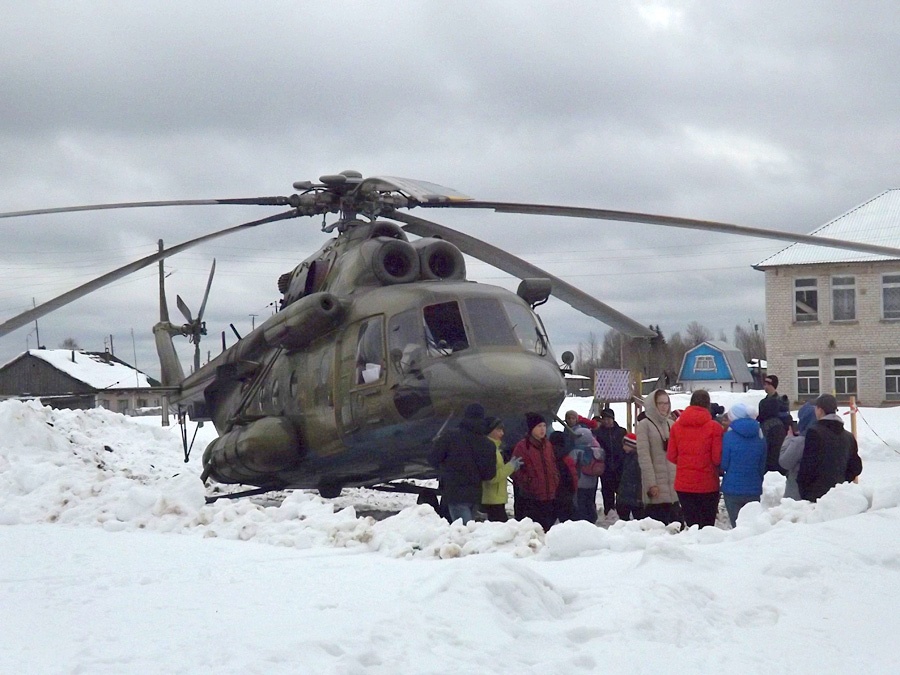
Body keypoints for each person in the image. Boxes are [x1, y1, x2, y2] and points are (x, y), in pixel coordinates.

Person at [428, 402, 497, 524]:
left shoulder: (449, 436)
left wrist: (445, 468)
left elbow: (433, 459)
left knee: (462, 531)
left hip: (453, 493)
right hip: (475, 496)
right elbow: (489, 475)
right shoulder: (488, 444)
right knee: (467, 527)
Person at [667, 389, 724, 528]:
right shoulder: (714, 427)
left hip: (684, 484)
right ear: (708, 405)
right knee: (707, 528)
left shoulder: (676, 427)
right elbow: (717, 459)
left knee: (692, 526)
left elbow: (671, 456)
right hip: (707, 484)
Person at [797, 394, 863, 502]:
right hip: (840, 496)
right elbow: (856, 467)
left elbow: (808, 465)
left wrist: (804, 489)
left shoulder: (814, 432)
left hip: (816, 495)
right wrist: (843, 481)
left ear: (820, 410)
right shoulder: (849, 436)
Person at [636, 389, 680, 525]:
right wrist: (651, 484)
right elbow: (644, 457)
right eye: (660, 403)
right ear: (652, 404)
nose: (664, 406)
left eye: (666, 403)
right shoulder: (644, 425)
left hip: (673, 488)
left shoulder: (672, 425)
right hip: (656, 488)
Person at [511, 413, 560, 531]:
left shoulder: (547, 445)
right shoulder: (522, 447)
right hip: (532, 497)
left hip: (550, 494)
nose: (543, 429)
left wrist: (555, 478)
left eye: (544, 425)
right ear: (531, 428)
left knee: (548, 527)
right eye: (539, 426)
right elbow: (515, 470)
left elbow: (553, 464)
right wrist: (528, 482)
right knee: (535, 529)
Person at [720, 403, 766, 527]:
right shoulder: (760, 435)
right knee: (752, 527)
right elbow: (762, 466)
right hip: (754, 487)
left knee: (737, 529)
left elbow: (724, 464)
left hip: (732, 488)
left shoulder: (729, 436)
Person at [480, 417, 523, 522]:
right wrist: (510, 466)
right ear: (489, 431)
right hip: (491, 499)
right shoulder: (488, 449)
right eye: (498, 430)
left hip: (496, 497)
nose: (502, 433)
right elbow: (491, 476)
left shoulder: (495, 448)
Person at [779, 401, 816, 500]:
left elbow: (784, 461)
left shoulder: (800, 441)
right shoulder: (825, 436)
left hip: (796, 492)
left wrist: (789, 438)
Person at [593, 407, 625, 518]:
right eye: (605, 418)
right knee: (607, 491)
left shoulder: (621, 431)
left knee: (621, 490)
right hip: (605, 467)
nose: (607, 421)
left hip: (620, 465)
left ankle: (621, 512)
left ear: (613, 419)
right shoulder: (598, 433)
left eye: (609, 418)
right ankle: (608, 511)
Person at [757, 375, 790, 474]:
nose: (765, 386)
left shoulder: (782, 402)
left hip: (778, 436)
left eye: (768, 384)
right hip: (765, 434)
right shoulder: (763, 402)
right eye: (764, 384)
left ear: (773, 386)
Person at [572, 427, 604, 522]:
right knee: (590, 502)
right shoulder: (596, 450)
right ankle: (592, 518)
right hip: (592, 482)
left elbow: (572, 463)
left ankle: (582, 520)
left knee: (580, 503)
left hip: (580, 482)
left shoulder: (576, 451)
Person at [550, 430, 578, 523]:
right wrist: (574, 490)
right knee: (568, 522)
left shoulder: (547, 456)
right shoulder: (566, 457)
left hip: (550, 493)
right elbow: (573, 476)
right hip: (565, 494)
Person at [616, 432, 644, 521]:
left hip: (633, 493)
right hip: (626, 493)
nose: (623, 447)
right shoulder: (626, 457)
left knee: (637, 516)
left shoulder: (637, 459)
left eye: (625, 445)